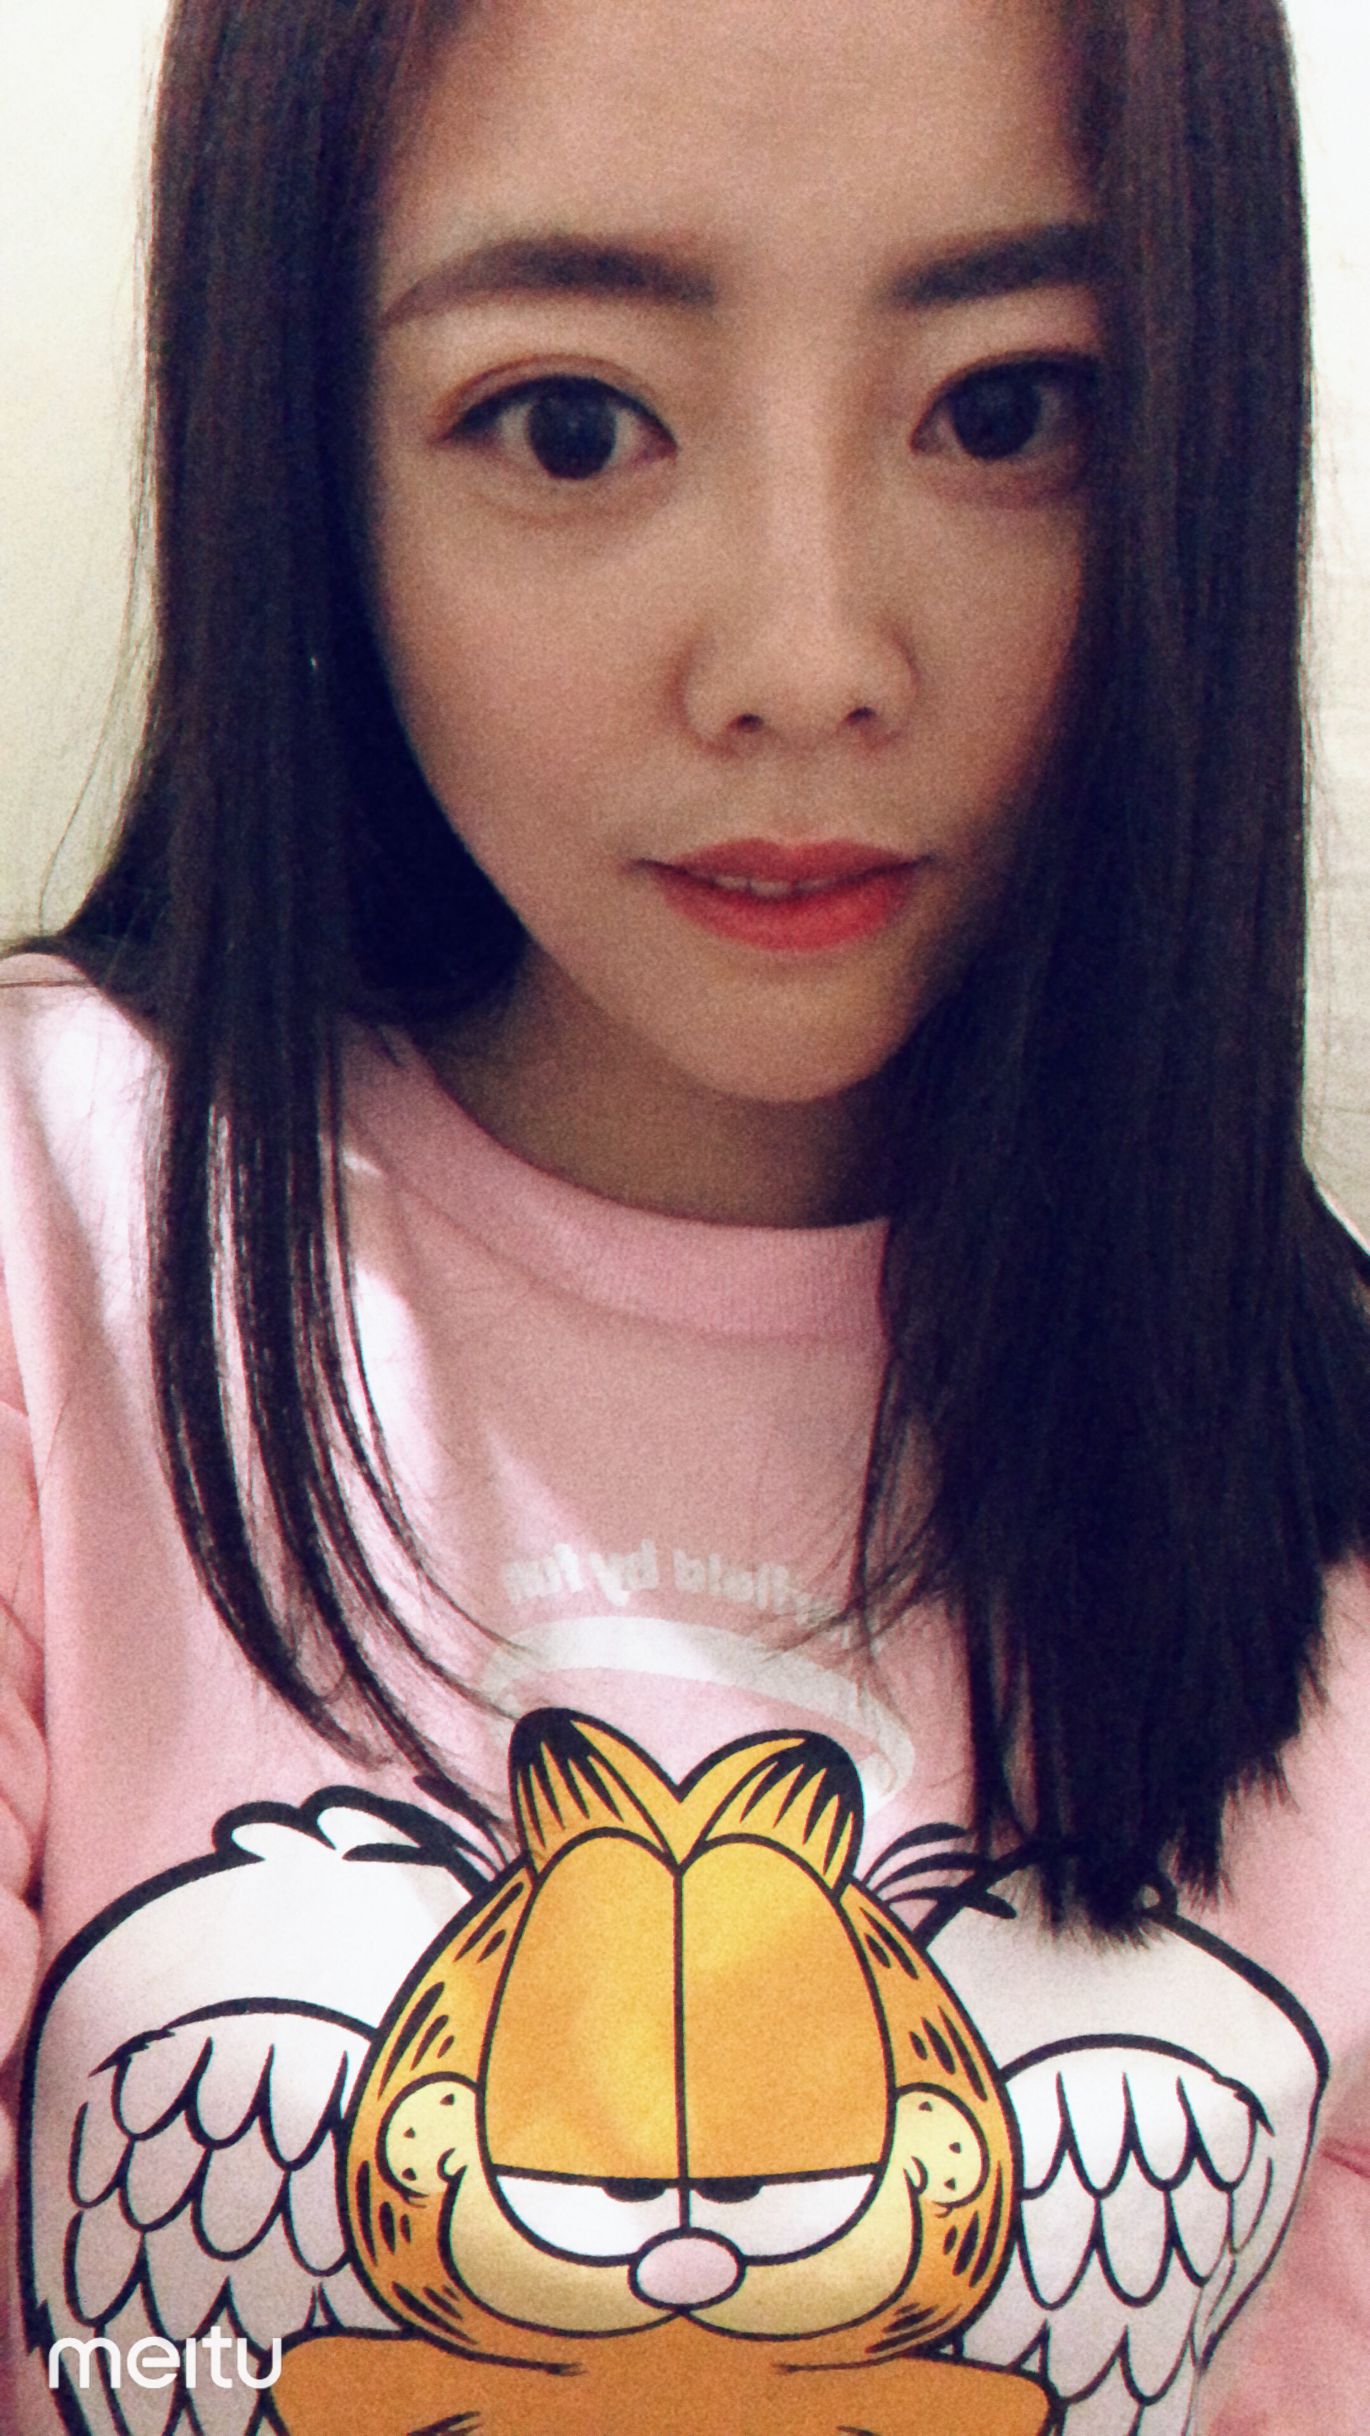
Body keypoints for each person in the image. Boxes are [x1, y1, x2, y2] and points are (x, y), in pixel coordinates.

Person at [2, 0, 1368, 2427]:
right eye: (569, 423)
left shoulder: (1313, 1470)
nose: (806, 662)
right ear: (305, 448)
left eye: (1007, 411)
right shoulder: (49, 1253)